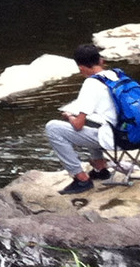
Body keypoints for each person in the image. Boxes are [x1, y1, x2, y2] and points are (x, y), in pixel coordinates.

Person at [44, 43, 118, 194]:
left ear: (81, 68)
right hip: (136, 135)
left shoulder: (91, 83)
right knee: (94, 122)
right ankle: (100, 169)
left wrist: (70, 116)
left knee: (53, 128)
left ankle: (81, 179)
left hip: (117, 139)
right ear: (101, 61)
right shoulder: (116, 75)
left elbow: (78, 125)